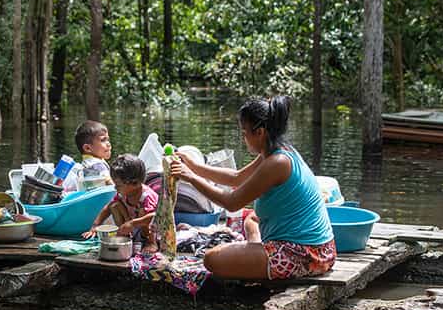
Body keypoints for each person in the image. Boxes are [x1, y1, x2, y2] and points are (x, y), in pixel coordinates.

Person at [170, 96, 335, 280]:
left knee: (211, 259)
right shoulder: (277, 150)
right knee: (251, 219)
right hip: (319, 248)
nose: (244, 138)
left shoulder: (277, 162)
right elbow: (236, 178)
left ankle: (256, 258)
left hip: (306, 255)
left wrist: (191, 178)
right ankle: (255, 253)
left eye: (245, 132)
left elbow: (231, 203)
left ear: (260, 132)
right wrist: (194, 166)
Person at [83, 154, 158, 253]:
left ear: (135, 183)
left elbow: (154, 216)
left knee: (143, 212)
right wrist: (95, 226)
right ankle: (125, 237)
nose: (115, 188)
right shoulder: (123, 194)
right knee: (114, 205)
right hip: (131, 226)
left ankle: (151, 242)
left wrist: (132, 223)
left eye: (118, 185)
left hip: (152, 230)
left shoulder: (147, 196)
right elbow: (108, 207)